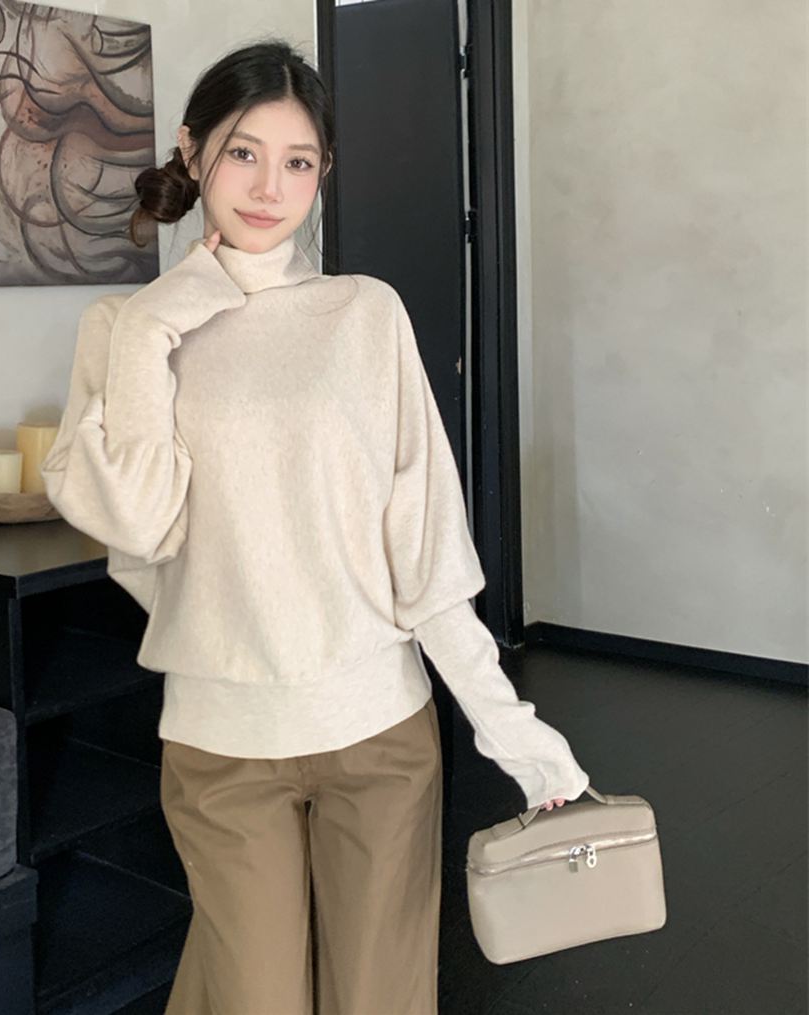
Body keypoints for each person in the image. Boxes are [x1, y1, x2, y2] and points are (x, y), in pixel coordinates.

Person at [40, 38, 589, 1015]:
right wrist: (157, 324)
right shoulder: (124, 330)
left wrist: (514, 730)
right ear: (192, 149)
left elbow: (425, 551)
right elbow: (137, 525)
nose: (269, 186)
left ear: (323, 172)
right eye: (244, 153)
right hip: (221, 745)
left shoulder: (363, 315)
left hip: (378, 734)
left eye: (298, 161)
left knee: (381, 999)